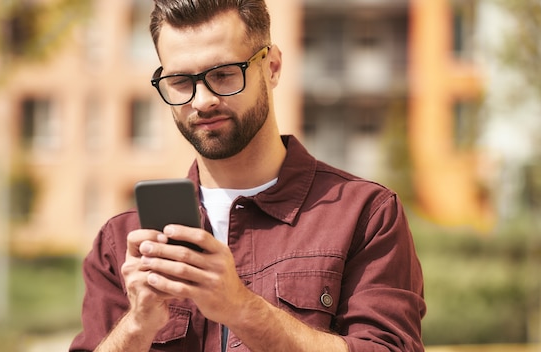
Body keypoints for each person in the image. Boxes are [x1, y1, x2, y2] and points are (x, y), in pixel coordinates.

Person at [70, 0, 426, 351]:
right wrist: (137, 325)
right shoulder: (121, 242)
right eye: (180, 81)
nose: (202, 100)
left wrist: (242, 308)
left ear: (271, 67)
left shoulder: (364, 215)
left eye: (223, 74)